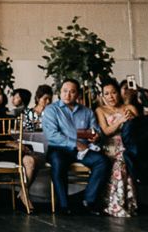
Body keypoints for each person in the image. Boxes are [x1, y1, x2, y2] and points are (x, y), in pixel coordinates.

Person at [42, 78, 110, 215]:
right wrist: (74, 143)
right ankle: (63, 205)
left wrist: (96, 136)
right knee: (58, 162)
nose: (68, 95)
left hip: (83, 149)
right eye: (65, 91)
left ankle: (89, 201)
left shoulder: (87, 112)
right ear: (59, 93)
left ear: (78, 94)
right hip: (59, 148)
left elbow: (95, 131)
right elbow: (52, 135)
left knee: (102, 162)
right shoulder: (51, 110)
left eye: (72, 92)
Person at [95, 79, 137, 217]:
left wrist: (131, 120)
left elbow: (140, 129)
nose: (111, 96)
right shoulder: (100, 110)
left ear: (119, 93)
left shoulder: (129, 108)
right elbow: (105, 131)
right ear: (102, 96)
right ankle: (116, 204)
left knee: (125, 159)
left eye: (113, 92)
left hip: (129, 145)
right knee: (119, 162)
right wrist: (120, 121)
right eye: (107, 94)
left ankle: (127, 203)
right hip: (110, 146)